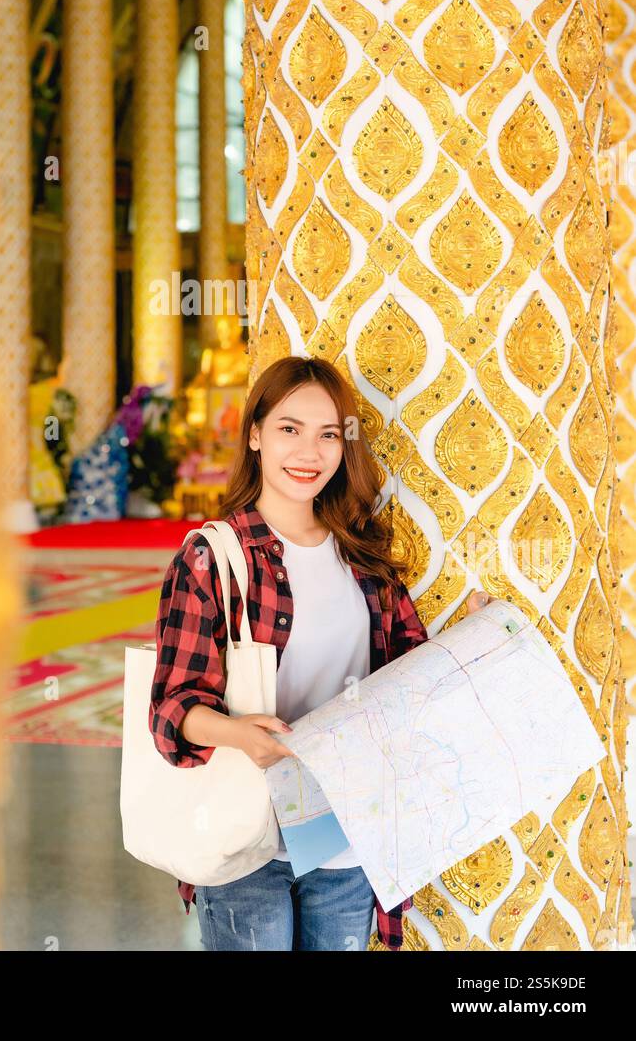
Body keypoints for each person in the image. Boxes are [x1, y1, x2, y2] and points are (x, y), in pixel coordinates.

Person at [148, 354, 489, 951]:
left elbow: (409, 682)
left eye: (328, 434)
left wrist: (476, 641)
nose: (309, 452)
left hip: (344, 832)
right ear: (254, 435)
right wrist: (238, 733)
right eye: (289, 429)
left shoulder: (364, 560)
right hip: (243, 840)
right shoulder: (213, 558)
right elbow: (172, 711)